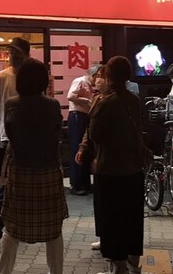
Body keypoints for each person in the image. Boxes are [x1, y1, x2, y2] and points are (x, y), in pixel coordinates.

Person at [0, 58, 68, 274]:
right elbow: (56, 133)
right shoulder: (52, 105)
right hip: (49, 170)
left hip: (21, 170)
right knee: (53, 229)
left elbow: (10, 134)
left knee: (13, 228)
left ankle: (4, 272)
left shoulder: (12, 104)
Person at [86, 56, 146, 274]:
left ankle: (118, 267)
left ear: (109, 77)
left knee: (112, 218)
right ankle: (134, 264)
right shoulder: (134, 100)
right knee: (132, 217)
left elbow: (94, 134)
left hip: (110, 168)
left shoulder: (106, 103)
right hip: (134, 167)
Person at [0, 37, 30, 256]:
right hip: (6, 139)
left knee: (26, 185)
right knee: (3, 187)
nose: (13, 56)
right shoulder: (1, 77)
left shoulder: (32, 76)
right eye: (11, 52)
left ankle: (20, 229)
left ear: (27, 55)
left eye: (17, 52)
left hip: (29, 139)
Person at [76, 64, 108, 252]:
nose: (98, 79)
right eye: (97, 76)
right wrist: (83, 147)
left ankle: (112, 241)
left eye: (102, 76)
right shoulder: (96, 99)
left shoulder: (119, 100)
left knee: (110, 201)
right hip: (98, 157)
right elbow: (90, 128)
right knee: (100, 201)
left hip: (112, 159)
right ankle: (104, 237)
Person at [66, 64, 100, 195]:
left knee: (86, 149)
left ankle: (85, 183)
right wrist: (86, 100)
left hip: (85, 116)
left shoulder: (90, 86)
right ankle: (76, 184)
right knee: (77, 147)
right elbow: (70, 96)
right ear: (93, 75)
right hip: (77, 116)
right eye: (97, 76)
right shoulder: (80, 81)